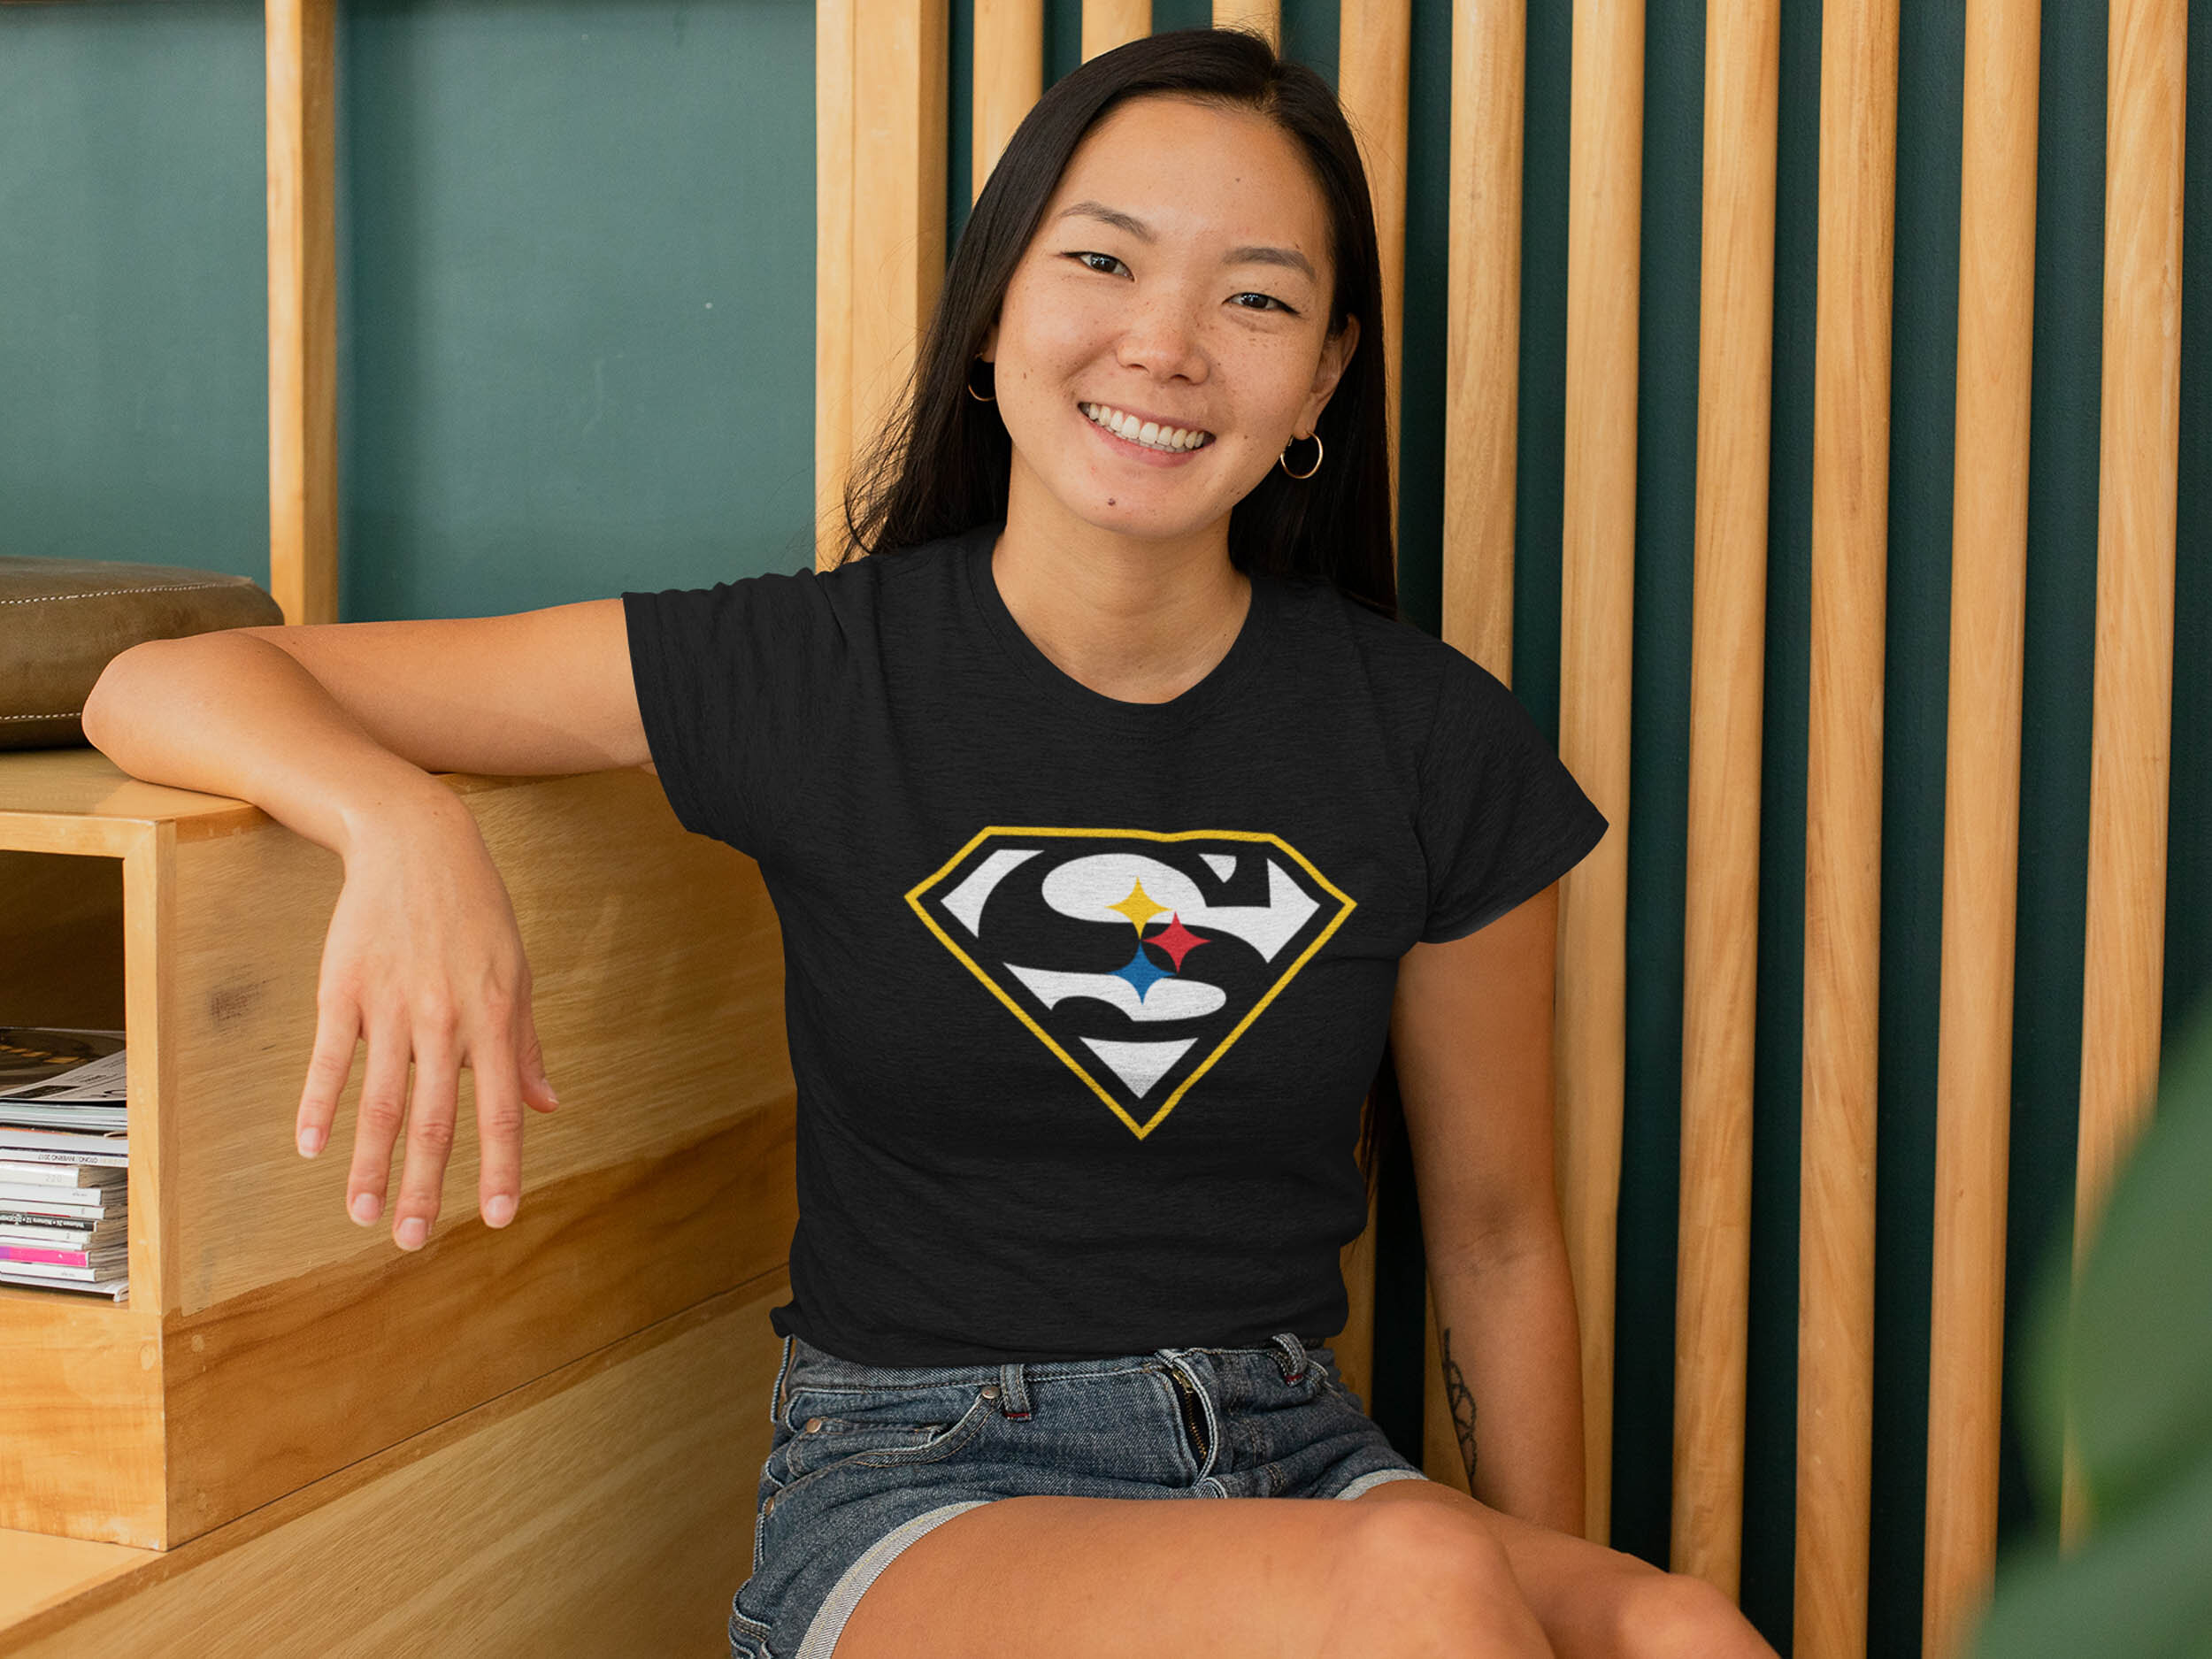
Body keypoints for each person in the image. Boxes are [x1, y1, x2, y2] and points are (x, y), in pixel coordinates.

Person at [82, 27, 1775, 1659]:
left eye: (1255, 298)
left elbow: (1493, 1234)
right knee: (1411, 1582)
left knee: (1680, 1631)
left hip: (1300, 1455)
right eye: (1103, 263)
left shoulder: (1429, 735)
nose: (1166, 346)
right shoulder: (811, 672)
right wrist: (401, 819)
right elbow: (158, 682)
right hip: (925, 1483)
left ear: (1325, 370)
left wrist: (1547, 1586)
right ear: (994, 311)